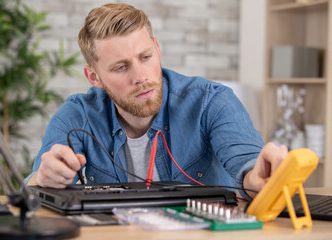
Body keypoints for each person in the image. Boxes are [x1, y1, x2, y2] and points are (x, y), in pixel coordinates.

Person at [25, 3, 287, 198]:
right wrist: (41, 179)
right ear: (94, 77)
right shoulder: (75, 115)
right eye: (120, 67)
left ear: (158, 50)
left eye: (146, 57)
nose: (140, 77)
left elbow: (249, 169)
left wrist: (262, 177)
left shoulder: (211, 101)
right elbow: (32, 193)